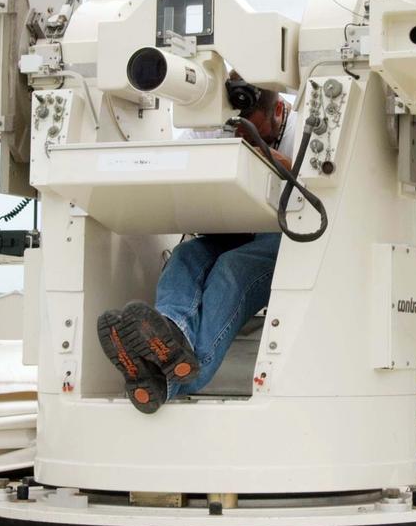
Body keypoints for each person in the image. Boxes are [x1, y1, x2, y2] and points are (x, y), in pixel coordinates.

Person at [97, 78, 299, 413]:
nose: (241, 136)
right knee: (185, 255)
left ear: (279, 110)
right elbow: (174, 164)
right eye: (236, 130)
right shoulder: (211, 120)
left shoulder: (303, 127)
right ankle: (171, 337)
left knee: (231, 269)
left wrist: (261, 155)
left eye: (255, 132)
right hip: (229, 227)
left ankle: (169, 379)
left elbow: (316, 182)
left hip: (280, 237)